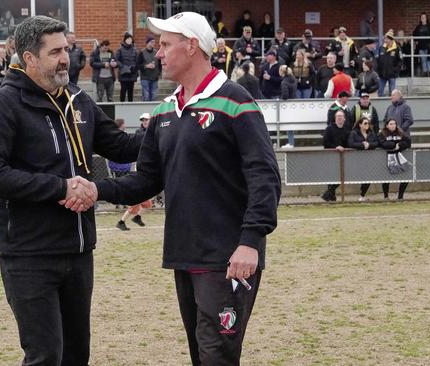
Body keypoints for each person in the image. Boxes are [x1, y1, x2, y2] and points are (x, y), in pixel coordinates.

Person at [78, 12, 281, 366]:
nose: (157, 53)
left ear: (192, 47)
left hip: (229, 257)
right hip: (184, 254)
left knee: (217, 353)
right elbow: (146, 181)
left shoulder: (236, 101)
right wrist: (97, 190)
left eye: (165, 45)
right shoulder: (164, 111)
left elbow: (265, 176)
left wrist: (250, 241)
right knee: (201, 353)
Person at [0, 15, 143, 365]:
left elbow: (123, 147)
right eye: (55, 52)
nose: (66, 57)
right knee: (46, 356)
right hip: (29, 255)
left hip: (79, 251)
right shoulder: (3, 105)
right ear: (29, 58)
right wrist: (59, 187)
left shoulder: (78, 100)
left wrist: (170, 128)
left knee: (76, 355)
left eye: (66, 48)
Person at [347, 117, 378, 201]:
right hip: (357, 159)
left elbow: (377, 143)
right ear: (360, 124)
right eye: (365, 123)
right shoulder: (354, 133)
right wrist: (362, 144)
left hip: (369, 159)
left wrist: (369, 145)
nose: (367, 125)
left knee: (369, 177)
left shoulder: (372, 133)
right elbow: (350, 143)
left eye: (368, 123)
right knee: (359, 176)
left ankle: (362, 195)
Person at [321, 110, 350, 202]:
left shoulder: (346, 130)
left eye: (341, 116)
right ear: (335, 118)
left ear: (344, 119)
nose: (339, 118)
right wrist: (335, 147)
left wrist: (344, 148)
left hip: (343, 157)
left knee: (342, 176)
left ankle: (328, 194)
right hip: (331, 156)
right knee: (332, 176)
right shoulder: (329, 129)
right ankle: (331, 196)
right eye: (338, 116)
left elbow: (348, 143)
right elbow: (325, 142)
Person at [379, 119, 411, 199]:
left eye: (394, 124)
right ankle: (386, 196)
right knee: (386, 177)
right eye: (391, 124)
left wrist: (399, 145)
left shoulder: (400, 132)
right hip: (388, 158)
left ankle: (400, 196)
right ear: (387, 125)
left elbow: (408, 142)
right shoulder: (382, 134)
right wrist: (393, 145)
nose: (393, 125)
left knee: (405, 175)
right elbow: (382, 144)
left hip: (400, 157)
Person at [377, 31, 402, 97]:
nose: (384, 40)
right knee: (380, 92)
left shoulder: (397, 48)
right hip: (382, 74)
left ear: (390, 40)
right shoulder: (381, 48)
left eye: (386, 39)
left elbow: (400, 61)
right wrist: (379, 70)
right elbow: (378, 60)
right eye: (384, 39)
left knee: (392, 93)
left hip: (392, 75)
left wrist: (395, 70)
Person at [412, 12, 430, 77]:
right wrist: (416, 41)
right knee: (423, 59)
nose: (423, 18)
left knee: (429, 59)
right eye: (422, 17)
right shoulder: (418, 27)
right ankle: (425, 72)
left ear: (426, 18)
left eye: (424, 17)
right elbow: (414, 34)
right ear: (420, 19)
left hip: (429, 45)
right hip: (420, 46)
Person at [116, 32, 138, 102]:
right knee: (123, 90)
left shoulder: (134, 50)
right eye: (128, 39)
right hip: (123, 74)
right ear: (125, 40)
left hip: (132, 73)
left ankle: (130, 105)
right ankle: (121, 105)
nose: (129, 40)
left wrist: (133, 67)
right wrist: (123, 67)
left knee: (130, 91)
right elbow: (117, 60)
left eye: (130, 39)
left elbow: (136, 61)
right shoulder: (120, 50)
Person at [138, 35, 162, 101]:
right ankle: (145, 111)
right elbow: (138, 65)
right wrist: (146, 66)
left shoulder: (157, 52)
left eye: (154, 42)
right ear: (147, 43)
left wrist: (158, 73)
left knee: (154, 96)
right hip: (145, 78)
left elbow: (160, 64)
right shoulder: (142, 53)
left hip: (154, 77)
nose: (153, 44)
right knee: (146, 96)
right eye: (151, 42)